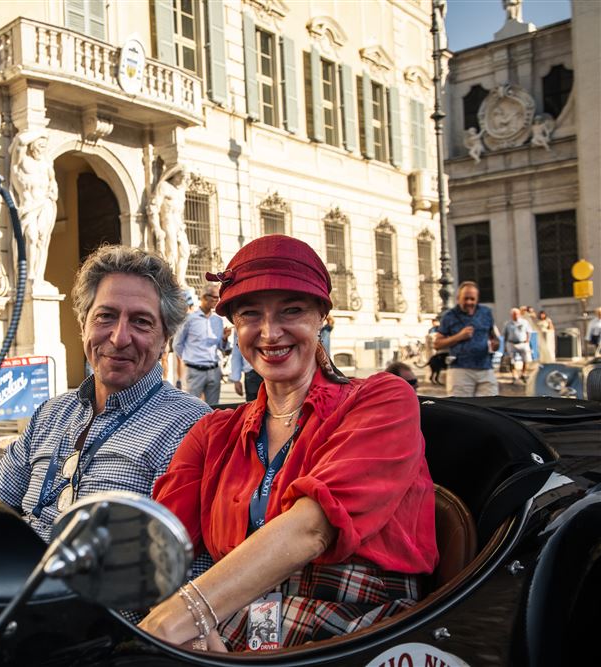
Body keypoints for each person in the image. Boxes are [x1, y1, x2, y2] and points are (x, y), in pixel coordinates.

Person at [140, 235, 436, 652]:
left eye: (292, 310)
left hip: (362, 629)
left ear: (322, 317)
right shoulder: (212, 432)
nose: (270, 332)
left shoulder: (383, 399)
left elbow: (314, 527)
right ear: (235, 327)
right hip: (243, 624)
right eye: (250, 314)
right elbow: (161, 547)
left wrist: (184, 617)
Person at [0, 245, 210, 541]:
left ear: (165, 340)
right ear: (83, 325)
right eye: (105, 316)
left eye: (141, 322)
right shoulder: (50, 414)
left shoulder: (190, 427)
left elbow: (177, 560)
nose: (119, 338)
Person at [10, 129, 58, 286]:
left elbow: (53, 184)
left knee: (41, 240)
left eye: (44, 146)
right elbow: (21, 141)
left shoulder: (45, 164)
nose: (42, 149)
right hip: (28, 206)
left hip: (44, 204)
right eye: (39, 145)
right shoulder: (20, 163)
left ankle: (37, 275)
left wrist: (53, 191)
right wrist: (41, 132)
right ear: (33, 145)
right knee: (31, 236)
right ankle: (28, 275)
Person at [434, 282, 500, 397]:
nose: (469, 302)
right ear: (458, 298)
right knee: (462, 406)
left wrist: (496, 344)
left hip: (485, 368)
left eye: (472, 299)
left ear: (477, 299)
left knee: (491, 405)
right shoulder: (450, 316)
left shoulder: (486, 313)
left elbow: (493, 336)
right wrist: (459, 336)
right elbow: (437, 344)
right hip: (460, 369)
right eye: (465, 298)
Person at [174, 283, 232, 405]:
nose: (217, 300)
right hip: (195, 372)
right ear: (204, 297)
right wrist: (189, 360)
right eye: (214, 297)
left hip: (214, 371)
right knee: (192, 409)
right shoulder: (189, 319)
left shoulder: (217, 320)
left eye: (218, 298)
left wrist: (224, 339)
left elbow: (221, 347)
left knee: (213, 409)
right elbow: (177, 344)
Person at [147, 164, 191, 286]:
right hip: (168, 221)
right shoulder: (164, 186)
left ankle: (180, 282)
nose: (184, 180)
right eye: (182, 176)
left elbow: (181, 212)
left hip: (179, 225)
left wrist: (182, 225)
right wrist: (157, 228)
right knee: (171, 252)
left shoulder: (181, 190)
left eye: (186, 177)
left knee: (185, 252)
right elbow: (153, 207)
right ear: (175, 174)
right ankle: (170, 282)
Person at [229, 328, 261, 402]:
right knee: (253, 406)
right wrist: (236, 379)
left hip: (272, 371)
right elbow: (236, 353)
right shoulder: (240, 326)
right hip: (251, 373)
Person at [503, 308, 533, 383]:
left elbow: (529, 331)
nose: (515, 315)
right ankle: (514, 375)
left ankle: (523, 374)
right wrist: (505, 346)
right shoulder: (508, 324)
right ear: (511, 315)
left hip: (523, 343)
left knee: (526, 359)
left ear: (519, 314)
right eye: (513, 314)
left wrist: (527, 340)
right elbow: (505, 335)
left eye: (516, 314)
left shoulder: (524, 322)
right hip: (511, 343)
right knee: (511, 361)